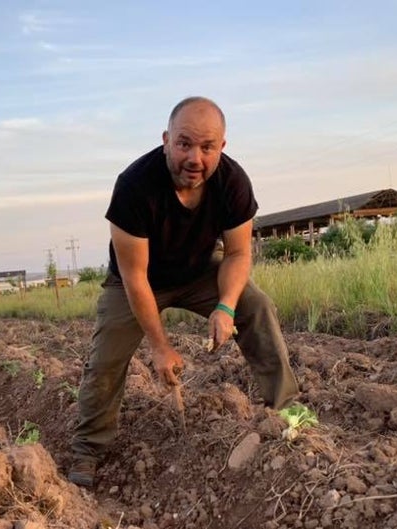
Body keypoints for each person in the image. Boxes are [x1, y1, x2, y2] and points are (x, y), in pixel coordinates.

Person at [69, 96, 299, 487]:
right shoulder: (133, 187)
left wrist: (225, 307)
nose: (195, 158)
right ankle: (88, 448)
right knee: (106, 358)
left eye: (207, 147)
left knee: (255, 306)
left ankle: (285, 409)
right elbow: (135, 277)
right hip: (136, 282)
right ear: (165, 140)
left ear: (221, 148)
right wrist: (159, 347)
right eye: (184, 144)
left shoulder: (233, 182)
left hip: (197, 272)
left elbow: (239, 253)